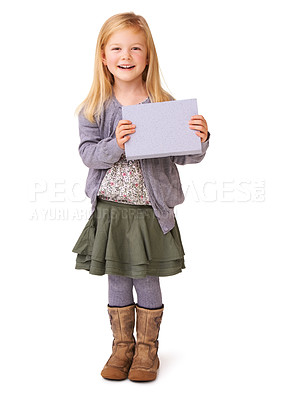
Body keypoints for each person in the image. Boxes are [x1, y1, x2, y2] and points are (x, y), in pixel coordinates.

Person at [72, 11, 210, 382]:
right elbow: (87, 154)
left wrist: (200, 137)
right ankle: (122, 347)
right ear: (103, 55)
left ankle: (147, 351)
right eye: (116, 47)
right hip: (112, 211)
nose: (126, 55)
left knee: (147, 278)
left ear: (148, 55)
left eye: (135, 48)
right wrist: (115, 143)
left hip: (150, 211)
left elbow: (187, 154)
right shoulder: (95, 108)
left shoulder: (164, 105)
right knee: (117, 278)